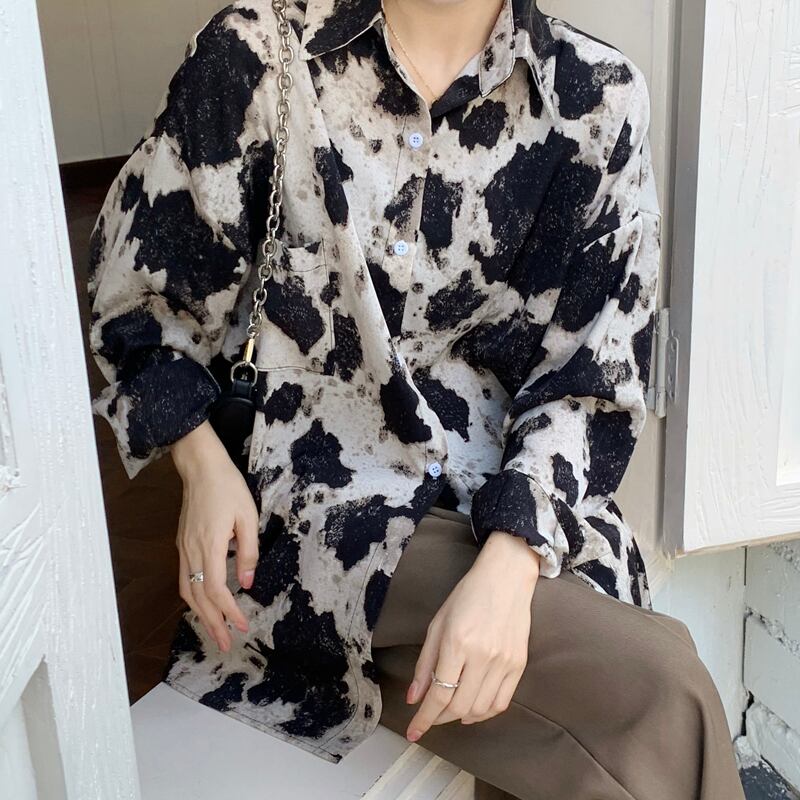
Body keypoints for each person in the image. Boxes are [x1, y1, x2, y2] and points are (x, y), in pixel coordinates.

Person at [86, 0, 746, 797]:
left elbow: (591, 382)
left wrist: (510, 563)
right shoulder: (258, 54)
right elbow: (137, 301)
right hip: (316, 515)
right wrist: (201, 465)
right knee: (661, 692)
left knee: (619, 708)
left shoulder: (596, 98)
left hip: (520, 497)